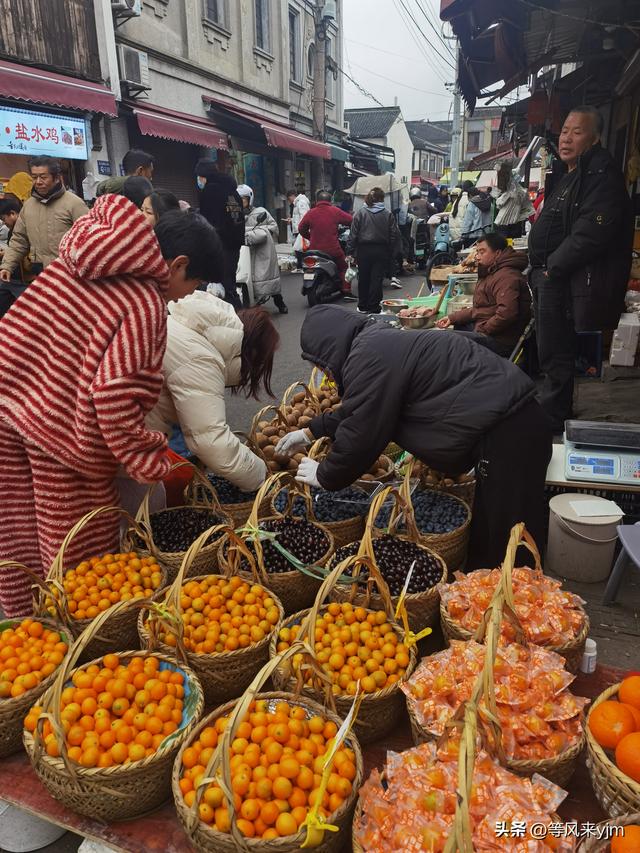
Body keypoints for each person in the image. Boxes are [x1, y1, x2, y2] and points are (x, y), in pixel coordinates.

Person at [0, 199, 222, 616]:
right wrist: (150, 462)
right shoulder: (143, 303)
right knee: (78, 555)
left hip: (7, 399)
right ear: (178, 265)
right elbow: (115, 396)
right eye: (192, 285)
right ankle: (74, 641)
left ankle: (25, 629)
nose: (185, 296)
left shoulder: (76, 259)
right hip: (58, 429)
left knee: (17, 532)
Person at [275, 305, 552, 569]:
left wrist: (326, 474)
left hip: (510, 431)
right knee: (491, 528)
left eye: (318, 364)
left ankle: (514, 605)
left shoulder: (369, 357)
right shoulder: (375, 344)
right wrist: (312, 430)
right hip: (511, 423)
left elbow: (363, 432)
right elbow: (362, 407)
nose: (323, 373)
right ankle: (486, 595)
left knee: (511, 538)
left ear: (327, 350)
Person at [528, 105, 633, 431]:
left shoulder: (601, 174)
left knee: (557, 352)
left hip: (562, 277)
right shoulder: (572, 173)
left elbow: (591, 231)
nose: (566, 139)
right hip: (552, 275)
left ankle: (552, 418)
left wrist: (552, 268)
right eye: (564, 131)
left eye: (577, 132)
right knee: (550, 348)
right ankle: (551, 409)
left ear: (596, 137)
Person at [147, 297, 278, 491]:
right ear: (253, 353)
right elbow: (212, 441)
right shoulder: (200, 357)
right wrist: (263, 477)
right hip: (117, 439)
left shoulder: (191, 331)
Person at [435, 232, 531, 357]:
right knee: (458, 325)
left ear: (497, 253)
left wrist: (483, 330)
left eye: (482, 252)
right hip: (489, 330)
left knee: (447, 340)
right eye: (477, 252)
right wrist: (452, 318)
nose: (477, 257)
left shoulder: (506, 276)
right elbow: (481, 310)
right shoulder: (491, 271)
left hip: (500, 341)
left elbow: (507, 314)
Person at [0, 156, 88, 281]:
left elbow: (89, 240)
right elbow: (19, 240)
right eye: (34, 177)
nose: (38, 181)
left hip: (69, 275)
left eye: (43, 177)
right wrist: (7, 266)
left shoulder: (74, 204)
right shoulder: (29, 206)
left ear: (56, 178)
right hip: (40, 275)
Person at [195, 158, 244, 310]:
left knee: (223, 289)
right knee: (229, 283)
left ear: (203, 176)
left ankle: (240, 319)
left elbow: (207, 223)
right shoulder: (233, 192)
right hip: (234, 246)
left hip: (219, 246)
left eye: (198, 176)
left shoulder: (210, 191)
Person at [346, 187, 402, 315]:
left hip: (364, 250)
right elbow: (394, 235)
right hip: (381, 250)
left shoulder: (360, 213)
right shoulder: (388, 214)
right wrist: (391, 252)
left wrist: (349, 252)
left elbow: (353, 234)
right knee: (376, 279)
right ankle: (374, 306)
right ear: (382, 199)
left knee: (364, 278)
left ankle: (362, 306)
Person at [236, 184, 288, 314]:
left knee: (268, 278)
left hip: (261, 252)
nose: (241, 202)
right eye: (238, 199)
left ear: (250, 199)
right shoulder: (234, 215)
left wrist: (260, 233)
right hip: (243, 252)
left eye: (243, 199)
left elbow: (273, 227)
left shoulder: (260, 212)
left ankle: (279, 302)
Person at [297, 190, 353, 292]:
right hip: (333, 249)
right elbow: (351, 220)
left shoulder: (311, 212)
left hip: (314, 250)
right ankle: (346, 289)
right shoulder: (335, 211)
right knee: (344, 266)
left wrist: (311, 237)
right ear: (330, 200)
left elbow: (301, 228)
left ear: (317, 201)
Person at [494, 163, 534, 238]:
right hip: (515, 224)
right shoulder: (519, 192)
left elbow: (499, 204)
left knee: (505, 244)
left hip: (506, 225)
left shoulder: (512, 192)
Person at [285, 188, 311, 270]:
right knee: (300, 248)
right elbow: (298, 217)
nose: (289, 201)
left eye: (289, 199)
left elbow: (304, 216)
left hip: (301, 230)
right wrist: (292, 220)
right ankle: (302, 266)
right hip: (299, 229)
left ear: (292, 196)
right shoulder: (297, 203)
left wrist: (302, 228)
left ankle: (302, 266)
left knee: (299, 249)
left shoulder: (301, 203)